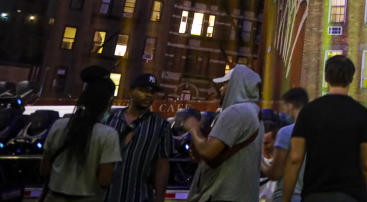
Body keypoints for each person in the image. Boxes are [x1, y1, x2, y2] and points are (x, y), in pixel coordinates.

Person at [283, 55, 367, 202]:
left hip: (314, 195)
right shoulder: (363, 115)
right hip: (350, 195)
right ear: (351, 79)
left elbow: (295, 159)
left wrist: (285, 199)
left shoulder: (309, 112)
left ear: (326, 78)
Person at [185, 64, 265, 202]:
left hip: (222, 194)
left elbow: (208, 151)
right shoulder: (255, 114)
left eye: (226, 84)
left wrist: (193, 128)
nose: (221, 89)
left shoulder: (236, 112)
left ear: (237, 85)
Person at [41, 76, 121, 202]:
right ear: (109, 102)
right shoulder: (108, 135)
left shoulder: (59, 125)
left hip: (53, 196)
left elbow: (45, 168)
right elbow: (104, 179)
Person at [104, 73, 173, 202]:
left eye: (152, 92)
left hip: (139, 196)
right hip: (106, 195)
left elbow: (162, 164)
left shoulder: (161, 125)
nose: (148, 95)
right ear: (131, 91)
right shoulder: (111, 119)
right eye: (143, 90)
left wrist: (159, 197)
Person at [263, 87, 310, 202]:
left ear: (290, 105)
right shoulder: (317, 132)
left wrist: (260, 162)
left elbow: (275, 174)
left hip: (287, 196)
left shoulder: (286, 132)